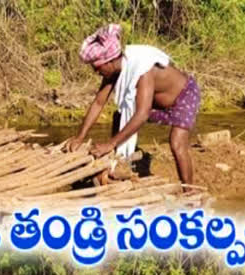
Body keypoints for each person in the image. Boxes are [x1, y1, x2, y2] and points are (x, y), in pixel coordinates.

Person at [67, 23, 201, 186]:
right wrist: (80, 137)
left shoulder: (142, 69)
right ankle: (115, 165)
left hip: (183, 96)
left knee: (177, 144)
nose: (96, 72)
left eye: (96, 67)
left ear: (108, 62)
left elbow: (142, 114)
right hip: (155, 102)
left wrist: (110, 143)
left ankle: (189, 190)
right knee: (119, 116)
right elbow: (98, 103)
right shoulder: (114, 71)